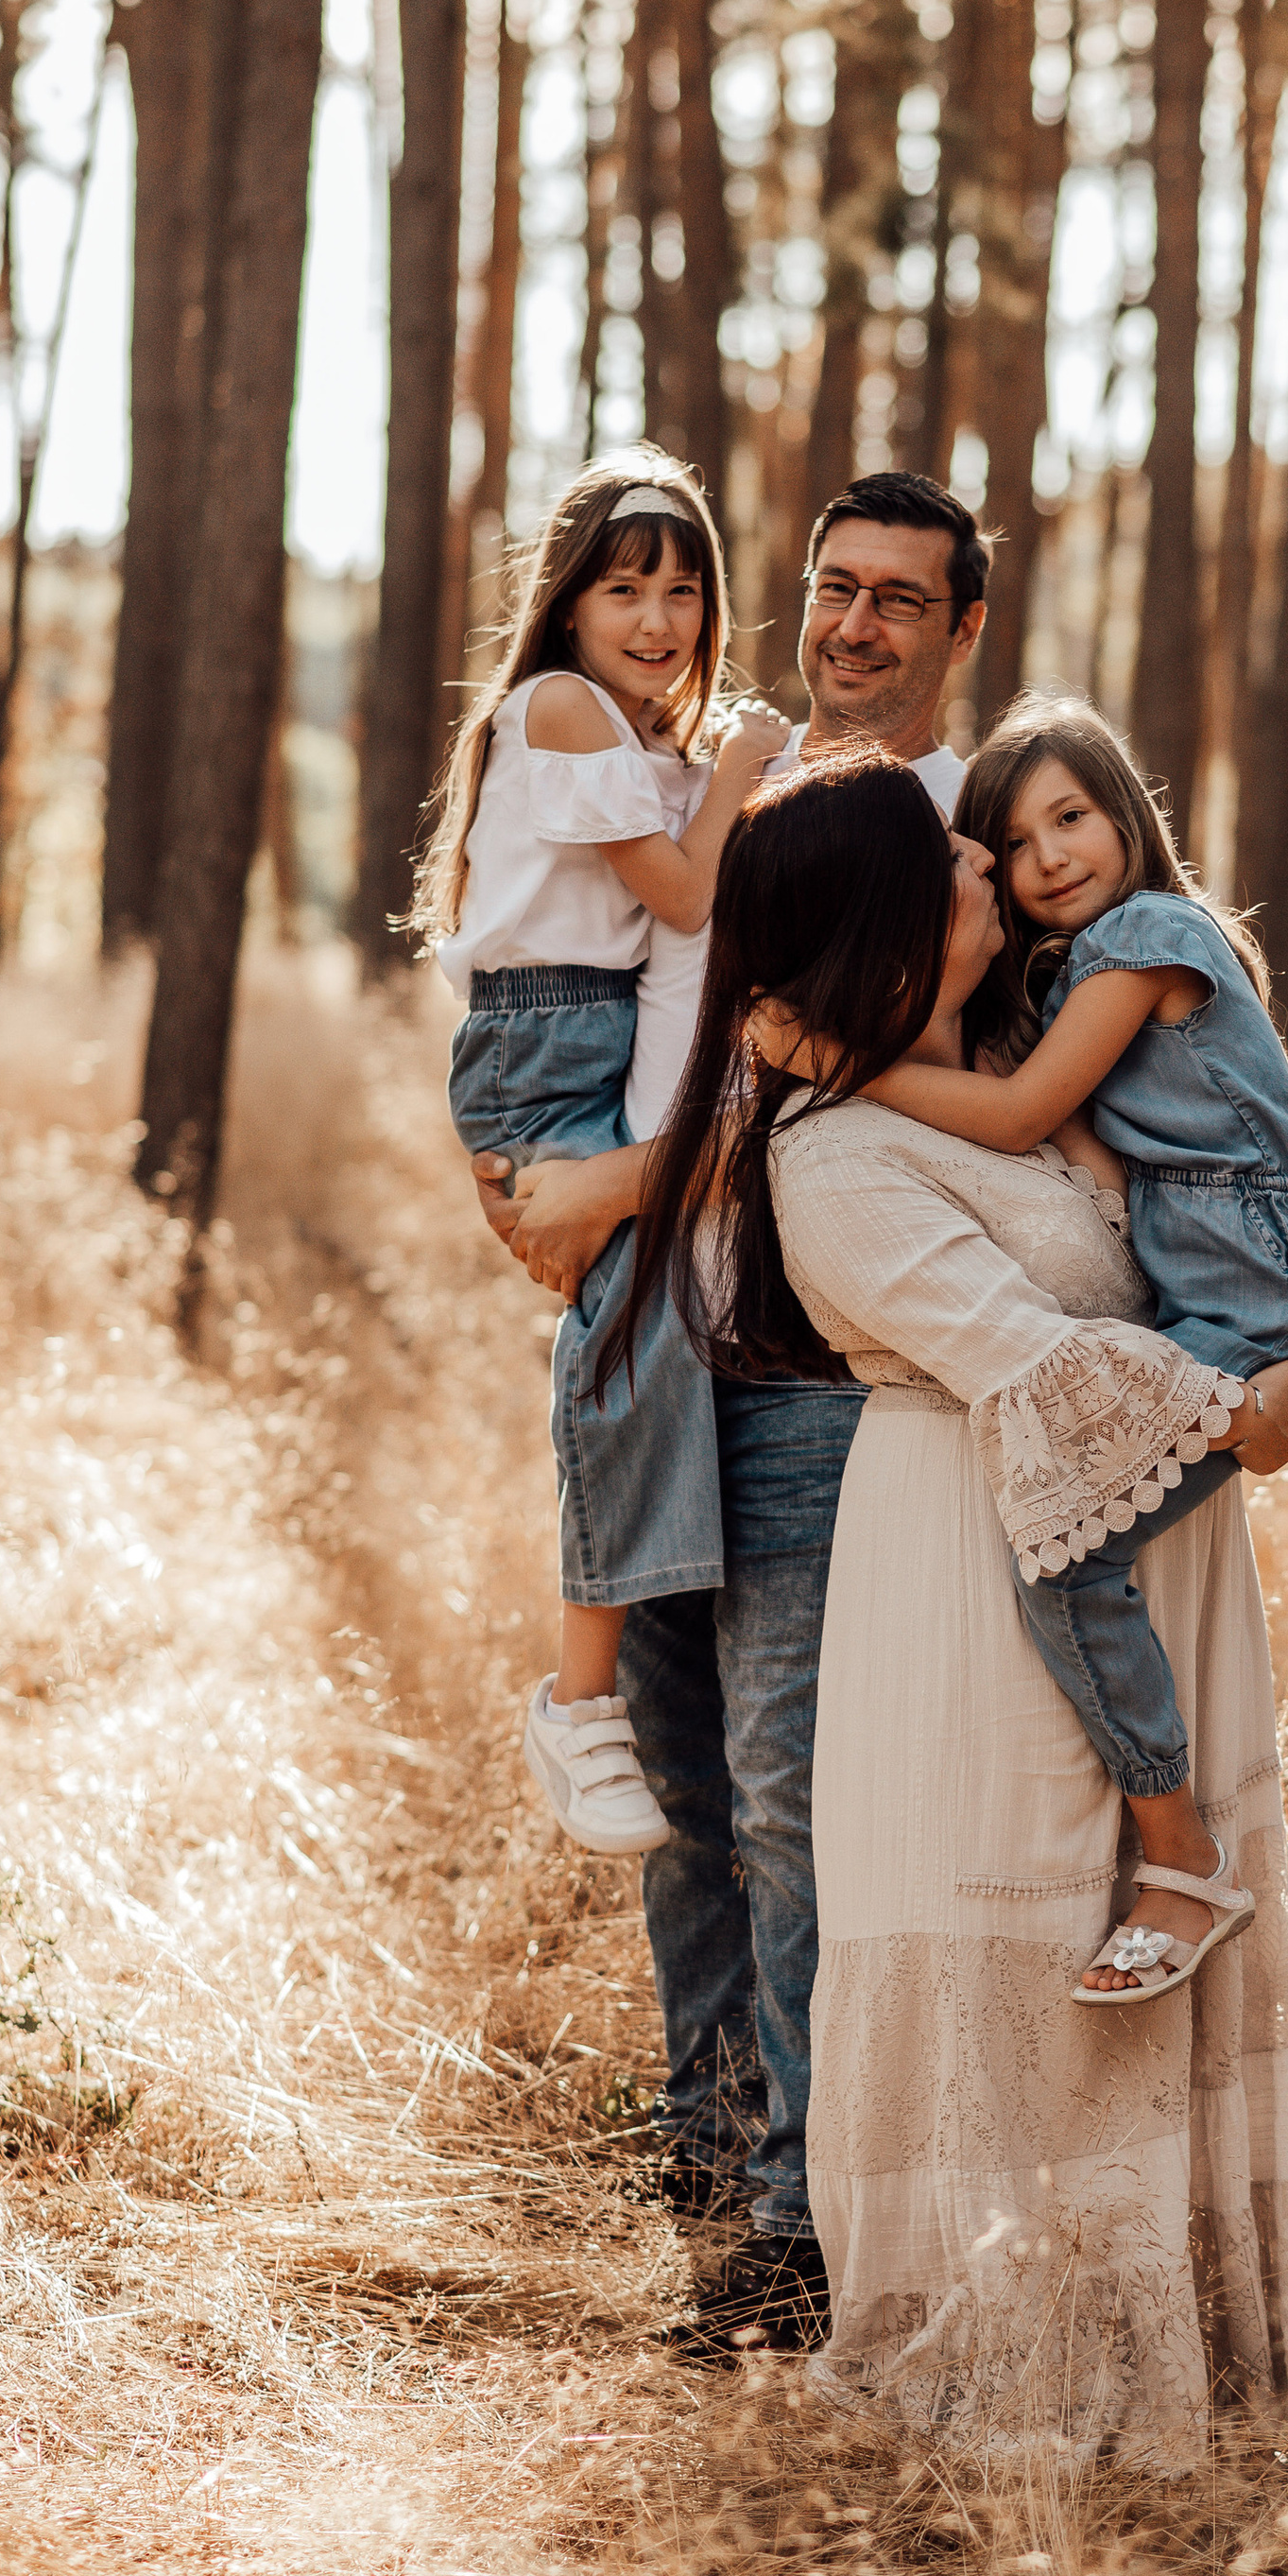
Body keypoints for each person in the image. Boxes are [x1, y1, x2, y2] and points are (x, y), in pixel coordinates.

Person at [627, 752, 1288, 2462]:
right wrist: (1241, 1412)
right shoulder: (835, 1158)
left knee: (1139, 1916)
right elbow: (1028, 1359)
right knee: (1014, 1914)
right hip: (971, 1563)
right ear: (879, 929)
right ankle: (1007, 2354)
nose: (984, 863)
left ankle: (1172, 2333)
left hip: (1141, 1541)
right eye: (947, 861)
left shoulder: (1036, 1056)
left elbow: (1189, 1221)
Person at [476, 470, 990, 2346]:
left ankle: (806, 2212)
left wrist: (620, 1184)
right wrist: (529, 1172)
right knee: (686, 1795)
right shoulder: (724, 795)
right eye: (831, 588)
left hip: (810, 1376)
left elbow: (828, 1081)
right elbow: (595, 988)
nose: (850, 625)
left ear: (961, 634)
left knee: (786, 1794)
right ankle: (711, 2144)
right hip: (655, 1349)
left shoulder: (952, 827)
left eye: (897, 602)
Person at [864, 696, 1288, 2004]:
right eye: (1015, 844)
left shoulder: (1148, 936)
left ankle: (1182, 1859)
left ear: (1127, 812)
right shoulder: (1079, 977)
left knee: (1072, 1553)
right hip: (1213, 1295)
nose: (1050, 858)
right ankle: (1169, 1840)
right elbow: (1059, 1142)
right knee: (1080, 1541)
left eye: (1071, 816)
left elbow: (1019, 1112)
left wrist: (845, 1066)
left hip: (1247, 1307)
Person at [420, 452, 787, 1851]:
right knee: (634, 1330)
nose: (660, 616)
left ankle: (601, 1684)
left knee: (659, 1335)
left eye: (685, 588)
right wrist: (745, 762)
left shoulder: (639, 748)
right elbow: (684, 893)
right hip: (543, 1043)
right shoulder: (565, 709)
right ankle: (577, 1703)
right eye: (626, 584)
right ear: (568, 603)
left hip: (585, 1047)